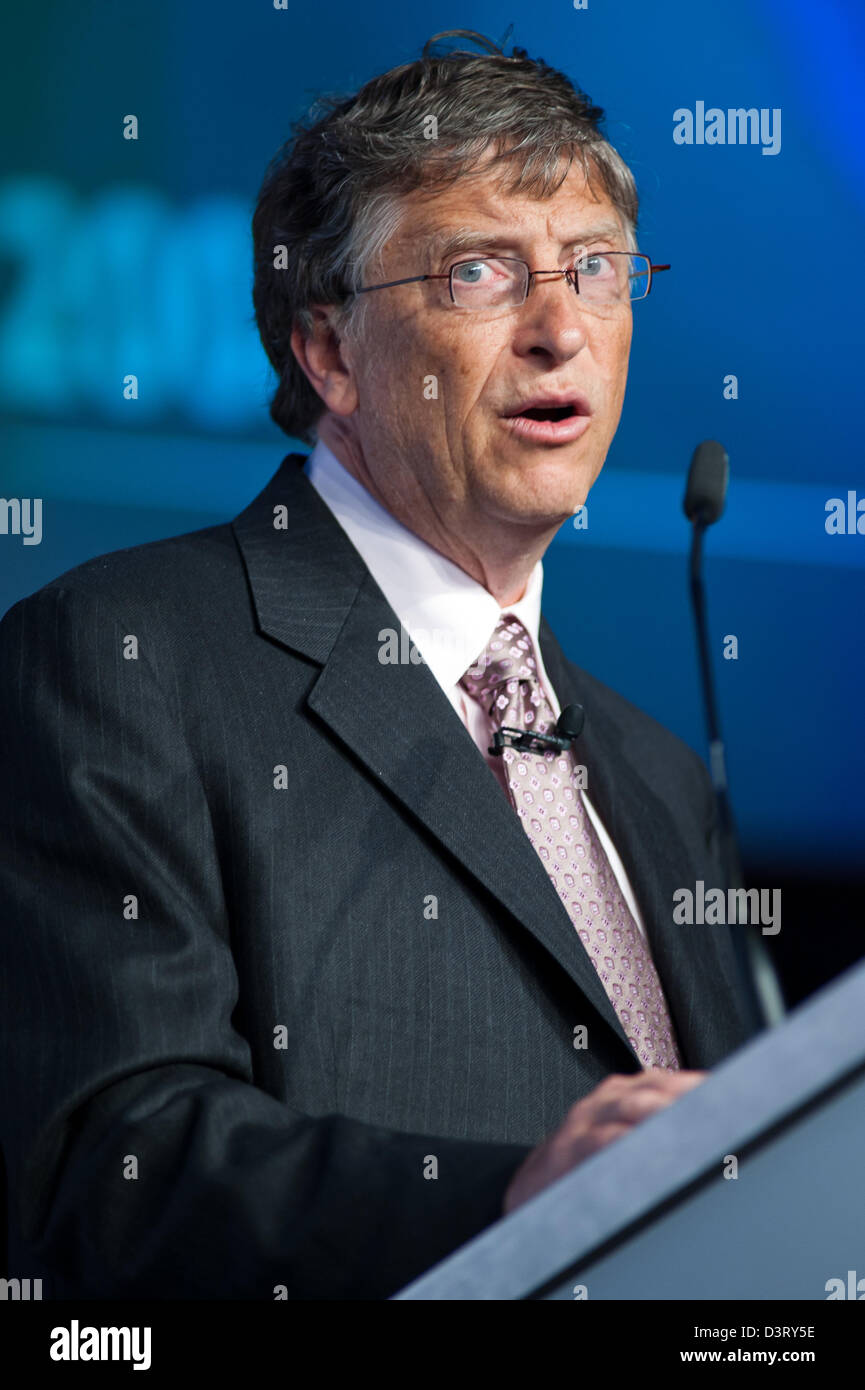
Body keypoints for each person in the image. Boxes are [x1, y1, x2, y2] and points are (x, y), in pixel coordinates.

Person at [0, 30, 758, 1300]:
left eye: (596, 269)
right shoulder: (121, 662)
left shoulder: (661, 776)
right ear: (331, 351)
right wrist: (503, 1204)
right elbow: (105, 1163)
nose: (561, 326)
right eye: (480, 272)